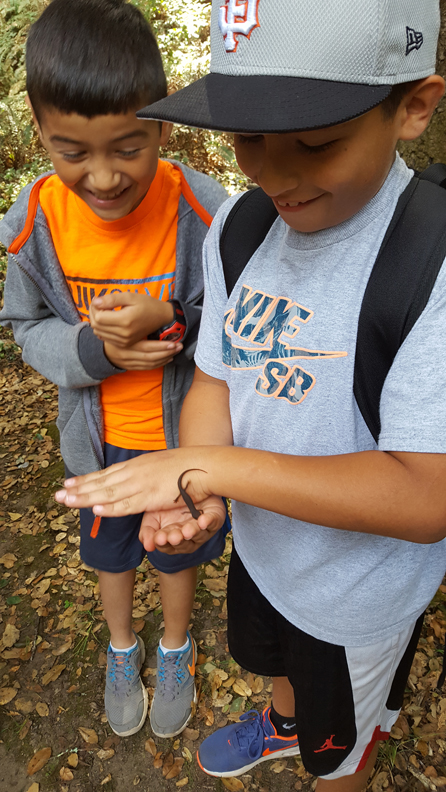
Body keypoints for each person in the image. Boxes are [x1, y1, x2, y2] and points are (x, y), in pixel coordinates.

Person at [54, 0, 446, 789]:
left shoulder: (429, 261)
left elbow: (426, 495)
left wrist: (212, 474)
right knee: (274, 659)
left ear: (414, 106)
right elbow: (215, 375)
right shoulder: (240, 226)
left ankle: (338, 747)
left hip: (355, 597)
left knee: (342, 750)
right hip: (264, 558)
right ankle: (282, 720)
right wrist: (197, 480)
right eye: (248, 138)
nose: (270, 172)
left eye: (314, 141)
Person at [0, 0, 229, 741]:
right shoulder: (35, 220)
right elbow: (26, 328)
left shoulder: (202, 210)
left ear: (164, 126)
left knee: (175, 548)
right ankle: (121, 647)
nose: (102, 177)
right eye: (73, 152)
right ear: (41, 134)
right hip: (96, 448)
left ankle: (174, 648)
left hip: (182, 442)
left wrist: (172, 321)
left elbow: (234, 328)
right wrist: (92, 352)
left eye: (128, 148)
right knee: (111, 552)